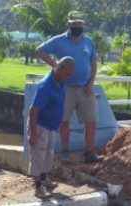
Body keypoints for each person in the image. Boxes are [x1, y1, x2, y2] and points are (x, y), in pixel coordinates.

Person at [36, 15, 100, 163]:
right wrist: (56, 65)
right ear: (69, 25)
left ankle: (89, 152)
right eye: (74, 24)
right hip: (65, 88)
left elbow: (93, 64)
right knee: (64, 121)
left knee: (91, 121)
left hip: (85, 88)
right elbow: (39, 50)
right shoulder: (58, 40)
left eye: (80, 25)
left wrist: (90, 83)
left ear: (83, 26)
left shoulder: (89, 42)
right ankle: (65, 151)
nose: (77, 27)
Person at [28, 57, 76, 198]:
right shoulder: (46, 86)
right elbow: (33, 111)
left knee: (48, 154)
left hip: (51, 126)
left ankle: (44, 179)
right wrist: (33, 133)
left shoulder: (60, 82)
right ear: (60, 69)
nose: (68, 77)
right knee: (38, 155)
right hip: (40, 126)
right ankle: (38, 187)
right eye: (67, 74)